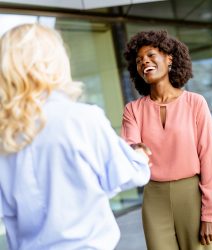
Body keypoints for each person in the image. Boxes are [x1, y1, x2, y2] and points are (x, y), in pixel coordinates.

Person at [0, 23, 151, 250]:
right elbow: (125, 174)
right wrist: (139, 156)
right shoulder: (81, 119)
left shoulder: (5, 134)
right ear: (54, 63)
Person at [122, 30, 212, 250]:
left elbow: (209, 159)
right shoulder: (133, 110)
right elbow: (130, 149)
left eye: (150, 55)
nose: (144, 62)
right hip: (154, 197)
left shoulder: (196, 103)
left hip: (192, 195)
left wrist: (210, 214)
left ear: (169, 59)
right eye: (139, 60)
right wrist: (133, 150)